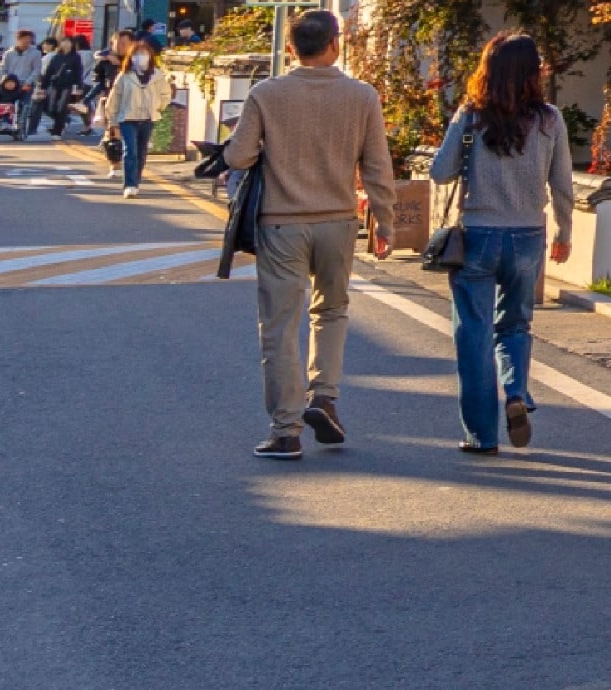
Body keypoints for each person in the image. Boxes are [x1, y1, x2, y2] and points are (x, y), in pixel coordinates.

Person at [225, 10, 400, 459]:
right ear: (336, 44)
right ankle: (324, 398)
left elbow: (239, 157)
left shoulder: (267, 94)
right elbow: (378, 166)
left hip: (281, 223)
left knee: (280, 326)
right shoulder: (362, 96)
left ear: (290, 49)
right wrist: (384, 220)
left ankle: (286, 430)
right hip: (339, 221)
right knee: (333, 312)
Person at [429, 34, 575, 455]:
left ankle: (481, 434)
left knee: (472, 333)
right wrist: (565, 232)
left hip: (477, 236)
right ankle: (515, 392)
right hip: (528, 236)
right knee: (514, 323)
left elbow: (440, 173)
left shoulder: (472, 116)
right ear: (534, 72)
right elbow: (563, 184)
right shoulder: (550, 120)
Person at [102, 42, 171, 197]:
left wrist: (157, 106)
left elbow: (165, 95)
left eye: (144, 54)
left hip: (148, 118)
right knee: (130, 150)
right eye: (136, 54)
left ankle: (136, 180)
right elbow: (114, 99)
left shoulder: (157, 76)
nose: (140, 57)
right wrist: (113, 122)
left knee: (141, 152)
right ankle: (130, 184)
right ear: (131, 57)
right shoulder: (124, 76)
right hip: (128, 118)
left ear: (150, 56)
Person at [32, 39, 81, 139]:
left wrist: (79, 86)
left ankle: (57, 130)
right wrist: (43, 86)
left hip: (67, 85)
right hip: (54, 84)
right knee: (50, 107)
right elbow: (49, 72)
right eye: (64, 42)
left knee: (61, 107)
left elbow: (78, 71)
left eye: (68, 42)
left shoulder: (76, 57)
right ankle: (63, 121)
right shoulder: (56, 57)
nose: (66, 44)